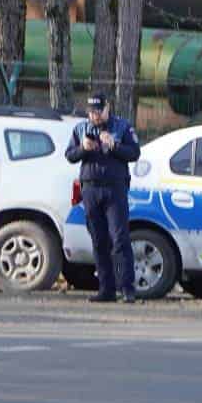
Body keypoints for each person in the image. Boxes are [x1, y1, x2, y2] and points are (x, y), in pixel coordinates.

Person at [66, 94, 142, 303]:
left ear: (107, 108)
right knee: (99, 240)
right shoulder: (81, 129)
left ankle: (127, 288)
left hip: (114, 189)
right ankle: (106, 289)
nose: (95, 116)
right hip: (90, 189)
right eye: (91, 112)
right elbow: (70, 155)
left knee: (119, 239)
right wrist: (83, 148)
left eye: (98, 111)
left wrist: (115, 145)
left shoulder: (122, 127)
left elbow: (134, 153)